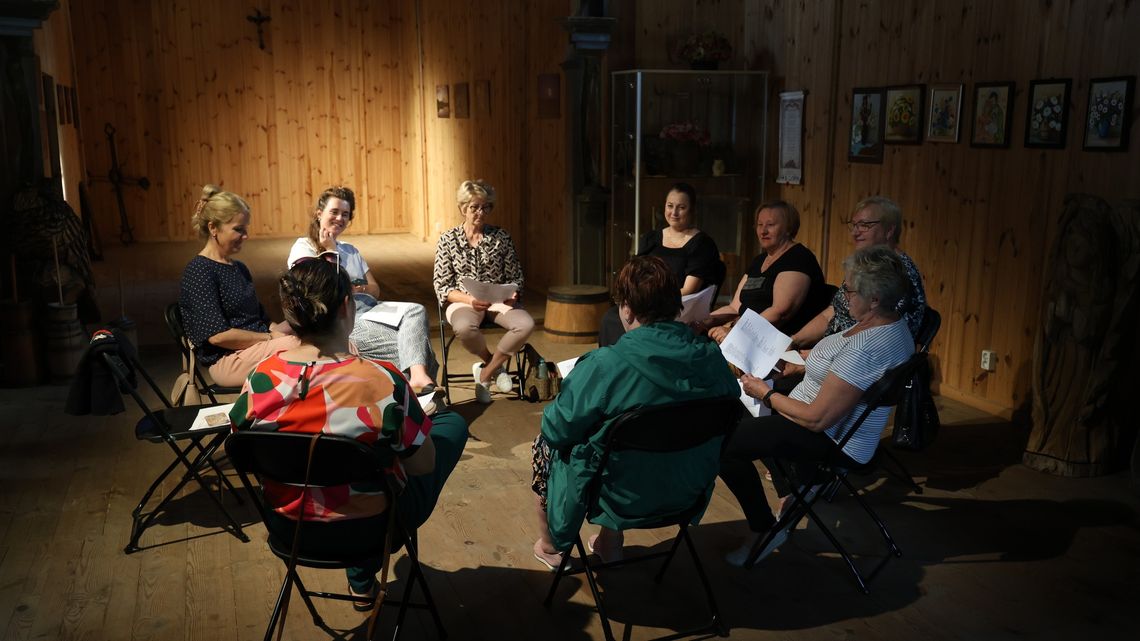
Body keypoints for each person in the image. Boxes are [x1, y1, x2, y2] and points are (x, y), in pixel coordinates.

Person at [229, 258, 468, 606]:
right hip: (372, 528)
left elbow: (240, 444)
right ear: (346, 306)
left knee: (353, 459)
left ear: (290, 314)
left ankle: (361, 579)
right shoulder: (381, 379)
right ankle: (361, 569)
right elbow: (422, 466)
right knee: (449, 426)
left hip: (288, 527)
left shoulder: (259, 378)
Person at [531, 256, 739, 569]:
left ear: (626, 308)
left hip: (618, 496)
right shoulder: (712, 358)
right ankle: (610, 541)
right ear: (675, 304)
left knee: (548, 443)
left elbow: (557, 429)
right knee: (627, 436)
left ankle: (551, 546)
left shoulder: (605, 365)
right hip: (686, 488)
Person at [718, 246, 915, 566]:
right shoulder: (888, 322)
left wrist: (766, 394)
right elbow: (837, 361)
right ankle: (794, 487)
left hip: (833, 438)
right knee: (737, 411)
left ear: (876, 298)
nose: (844, 295)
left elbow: (816, 418)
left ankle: (765, 528)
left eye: (849, 289)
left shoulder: (868, 347)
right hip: (820, 413)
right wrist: (793, 363)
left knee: (725, 445)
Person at [287, 186, 437, 391]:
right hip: (344, 319)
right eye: (334, 212)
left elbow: (375, 288)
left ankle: (415, 387)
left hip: (373, 311)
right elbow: (324, 289)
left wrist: (359, 289)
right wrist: (330, 252)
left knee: (416, 310)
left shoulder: (350, 250)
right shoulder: (304, 247)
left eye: (345, 214)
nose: (340, 218)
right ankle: (414, 393)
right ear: (319, 213)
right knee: (415, 348)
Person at [179, 184, 299, 388]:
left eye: (245, 229)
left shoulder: (239, 268)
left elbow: (261, 319)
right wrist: (271, 337)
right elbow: (217, 337)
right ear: (213, 228)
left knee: (313, 330)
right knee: (301, 345)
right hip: (228, 359)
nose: (245, 236)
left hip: (256, 345)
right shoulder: (199, 271)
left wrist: (288, 329)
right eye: (238, 230)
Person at [433, 179, 534, 404]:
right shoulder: (447, 240)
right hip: (464, 300)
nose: (481, 212)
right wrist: (469, 299)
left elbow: (516, 276)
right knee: (464, 328)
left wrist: (513, 293)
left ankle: (486, 374)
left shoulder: (501, 237)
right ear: (462, 208)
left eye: (485, 207)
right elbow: (442, 285)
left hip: (498, 300)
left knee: (525, 324)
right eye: (474, 207)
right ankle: (492, 364)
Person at [789, 196, 926, 350]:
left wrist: (812, 359)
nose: (855, 232)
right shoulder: (865, 266)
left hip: (858, 362)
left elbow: (876, 342)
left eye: (864, 225)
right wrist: (792, 341)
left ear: (889, 230)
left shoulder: (899, 274)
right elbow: (831, 313)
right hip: (831, 351)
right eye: (854, 225)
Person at [597, 182, 724, 347]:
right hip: (645, 304)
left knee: (639, 324)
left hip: (675, 308)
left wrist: (651, 301)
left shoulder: (701, 244)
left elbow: (689, 289)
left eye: (681, 207)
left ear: (692, 210)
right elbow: (634, 274)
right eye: (670, 206)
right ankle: (614, 365)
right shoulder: (651, 238)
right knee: (611, 318)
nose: (674, 212)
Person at [702, 200, 830, 342]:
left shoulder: (798, 258)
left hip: (775, 344)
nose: (763, 231)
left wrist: (735, 332)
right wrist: (703, 321)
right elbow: (734, 307)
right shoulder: (759, 261)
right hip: (744, 338)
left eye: (770, 225)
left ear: (788, 228)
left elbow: (780, 313)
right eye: (760, 225)